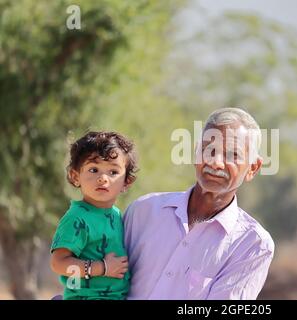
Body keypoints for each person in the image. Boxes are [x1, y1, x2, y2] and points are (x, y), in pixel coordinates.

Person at [124, 107, 275, 299]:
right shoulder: (143, 211)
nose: (216, 162)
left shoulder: (253, 245)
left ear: (253, 168)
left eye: (232, 155)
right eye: (209, 149)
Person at [49, 131, 137, 300]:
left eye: (113, 172)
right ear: (75, 176)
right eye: (94, 169)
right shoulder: (77, 218)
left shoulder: (117, 214)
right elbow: (58, 263)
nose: (103, 178)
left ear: (126, 182)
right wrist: (102, 267)